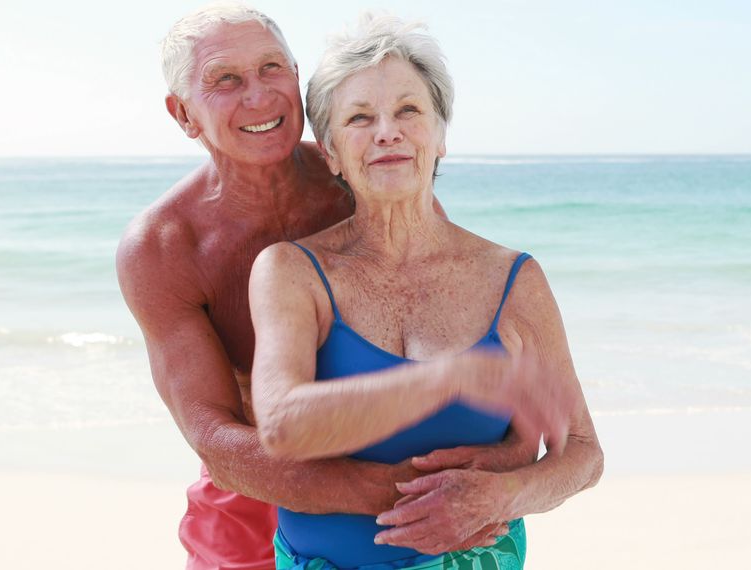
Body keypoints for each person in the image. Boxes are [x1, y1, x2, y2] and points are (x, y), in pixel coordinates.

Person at [117, 5, 542, 569]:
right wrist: (396, 493)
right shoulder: (166, 245)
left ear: (298, 77)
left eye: (272, 69)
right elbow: (215, 440)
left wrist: (509, 458)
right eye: (225, 80)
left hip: (400, 486)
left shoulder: (366, 175)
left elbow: (463, 327)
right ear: (183, 114)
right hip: (256, 490)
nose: (258, 96)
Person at [249, 13, 604, 570]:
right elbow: (282, 425)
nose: (387, 130)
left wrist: (501, 497)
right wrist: (453, 378)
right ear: (333, 152)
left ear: (440, 137)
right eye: (360, 117)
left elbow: (583, 455)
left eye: (409, 111)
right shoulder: (291, 271)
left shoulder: (514, 278)